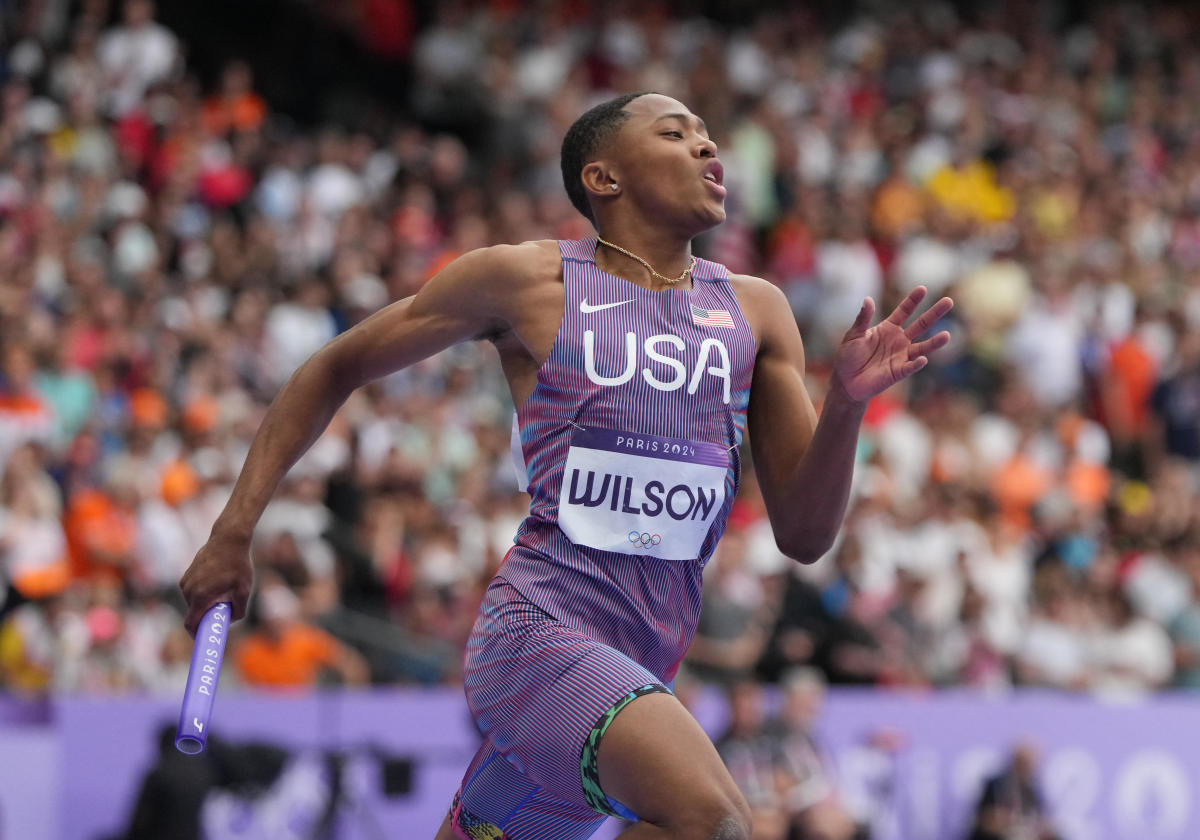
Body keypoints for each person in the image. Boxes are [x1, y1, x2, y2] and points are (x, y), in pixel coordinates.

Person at [179, 91, 952, 840]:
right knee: (711, 820)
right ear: (603, 176)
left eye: (707, 134)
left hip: (641, 660)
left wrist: (845, 405)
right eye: (675, 134)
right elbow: (334, 366)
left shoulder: (756, 311)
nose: (708, 146)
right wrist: (232, 531)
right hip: (539, 633)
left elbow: (807, 535)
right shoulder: (529, 281)